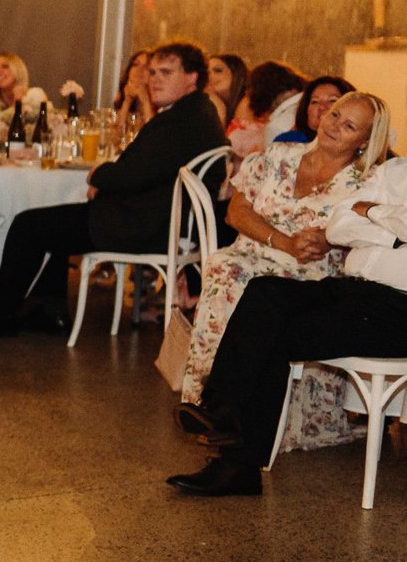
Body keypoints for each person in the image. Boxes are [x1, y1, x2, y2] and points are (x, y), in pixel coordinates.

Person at [169, 152, 407, 495]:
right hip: (355, 288)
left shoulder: (385, 183)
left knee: (273, 334)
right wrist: (387, 230)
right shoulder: (394, 171)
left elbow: (373, 222)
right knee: (266, 292)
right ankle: (221, 410)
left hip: (399, 308)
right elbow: (339, 226)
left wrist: (370, 213)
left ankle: (238, 466)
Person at [0, 41, 226, 337]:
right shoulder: (198, 113)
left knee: (28, 225)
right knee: (52, 220)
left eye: (166, 72)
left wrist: (99, 175)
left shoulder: (179, 121)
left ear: (192, 78)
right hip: (159, 219)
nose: (155, 78)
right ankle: (51, 311)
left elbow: (133, 174)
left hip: (142, 225)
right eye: (152, 72)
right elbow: (146, 170)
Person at [178, 92, 385, 435]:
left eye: (349, 126)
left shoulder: (366, 183)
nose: (334, 126)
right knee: (225, 266)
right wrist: (283, 241)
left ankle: (236, 412)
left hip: (310, 270)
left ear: (364, 141)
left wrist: (331, 237)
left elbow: (367, 233)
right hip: (255, 251)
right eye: (334, 115)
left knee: (247, 280)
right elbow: (236, 212)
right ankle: (212, 402)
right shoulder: (279, 156)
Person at [273, 74, 348, 144]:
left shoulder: (354, 146)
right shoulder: (286, 143)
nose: (322, 107)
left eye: (332, 100)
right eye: (315, 102)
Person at [113, 48, 155, 136]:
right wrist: (127, 101)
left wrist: (145, 101)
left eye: (146, 66)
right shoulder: (122, 98)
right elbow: (116, 138)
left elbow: (153, 137)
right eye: (135, 64)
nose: (139, 70)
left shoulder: (160, 103)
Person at [206, 52, 249, 130]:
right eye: (207, 72)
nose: (209, 76)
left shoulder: (247, 105)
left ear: (235, 74)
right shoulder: (207, 105)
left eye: (217, 70)